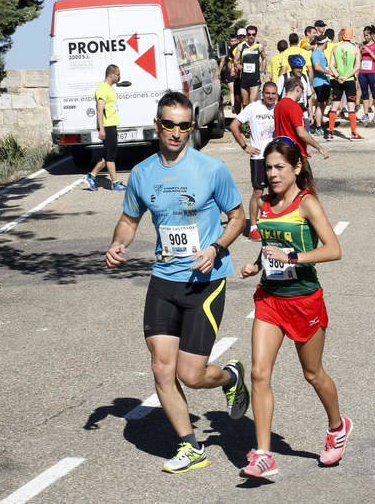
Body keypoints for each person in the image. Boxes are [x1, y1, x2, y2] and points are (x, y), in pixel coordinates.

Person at [105, 91, 249, 474]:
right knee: (161, 369)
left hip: (205, 280)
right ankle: (190, 445)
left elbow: (238, 217)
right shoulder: (142, 174)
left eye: (185, 126)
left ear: (192, 127)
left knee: (191, 374)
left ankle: (230, 376)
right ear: (157, 125)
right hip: (164, 279)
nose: (176, 132)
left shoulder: (211, 169)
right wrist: (118, 245)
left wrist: (217, 248)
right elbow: (130, 219)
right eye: (169, 124)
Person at [238, 136, 351, 478]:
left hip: (304, 300)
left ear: (297, 167)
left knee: (313, 373)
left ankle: (337, 426)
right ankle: (263, 454)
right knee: (259, 372)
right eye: (268, 167)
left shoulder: (307, 203)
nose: (272, 174)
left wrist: (294, 257)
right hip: (270, 298)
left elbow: (334, 249)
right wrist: (257, 265)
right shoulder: (265, 203)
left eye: (279, 167)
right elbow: (270, 245)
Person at [230, 82, 278, 241]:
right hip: (258, 157)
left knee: (275, 192)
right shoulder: (253, 107)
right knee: (258, 192)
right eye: (268, 93)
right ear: (262, 93)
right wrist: (245, 146)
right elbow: (234, 125)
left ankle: (272, 223)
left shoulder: (279, 108)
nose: (270, 96)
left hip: (276, 156)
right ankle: (253, 226)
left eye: (273, 93)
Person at [83, 64, 127, 192]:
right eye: (118, 74)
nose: (119, 77)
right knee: (111, 156)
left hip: (111, 125)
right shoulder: (102, 88)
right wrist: (101, 128)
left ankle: (91, 176)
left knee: (107, 155)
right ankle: (115, 183)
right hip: (107, 127)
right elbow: (99, 109)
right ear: (111, 74)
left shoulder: (109, 88)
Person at [274, 77, 329, 163]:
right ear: (297, 88)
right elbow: (301, 133)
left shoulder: (278, 105)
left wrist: (305, 148)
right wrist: (319, 147)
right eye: (302, 91)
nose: (302, 94)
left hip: (282, 152)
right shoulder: (294, 106)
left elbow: (286, 129)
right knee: (307, 176)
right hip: (295, 155)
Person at [327, 28, 363, 140]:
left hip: (338, 80)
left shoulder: (335, 48)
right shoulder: (355, 49)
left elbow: (331, 65)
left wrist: (338, 76)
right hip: (350, 80)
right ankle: (353, 133)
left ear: (342, 35)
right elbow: (357, 67)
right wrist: (347, 77)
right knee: (351, 107)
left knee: (334, 106)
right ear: (351, 36)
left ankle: (330, 132)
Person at [276, 54, 313, 128]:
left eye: (301, 68)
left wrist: (311, 115)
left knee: (305, 137)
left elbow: (309, 97)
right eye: (298, 68)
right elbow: (276, 97)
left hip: (303, 114)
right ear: (292, 67)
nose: (300, 70)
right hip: (287, 114)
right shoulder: (283, 78)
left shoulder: (305, 78)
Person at [358, 25, 375, 123]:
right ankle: (365, 114)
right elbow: (360, 59)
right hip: (362, 72)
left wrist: (368, 50)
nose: (366, 37)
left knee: (374, 93)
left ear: (371, 35)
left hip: (373, 73)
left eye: (367, 35)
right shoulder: (362, 45)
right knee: (364, 94)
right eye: (364, 35)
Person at [234, 25, 266, 105]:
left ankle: (251, 117)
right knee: (245, 103)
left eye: (253, 34)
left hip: (255, 78)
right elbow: (235, 60)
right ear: (247, 35)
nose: (251, 36)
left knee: (252, 102)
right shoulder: (241, 46)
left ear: (256, 35)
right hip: (244, 77)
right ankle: (246, 117)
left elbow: (264, 58)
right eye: (249, 34)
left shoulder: (259, 46)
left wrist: (263, 72)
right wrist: (237, 65)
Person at [310, 35, 332, 137]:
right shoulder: (316, 53)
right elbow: (317, 67)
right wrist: (328, 72)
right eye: (327, 42)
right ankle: (318, 126)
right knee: (319, 104)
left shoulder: (321, 53)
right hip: (319, 82)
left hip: (325, 82)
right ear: (324, 42)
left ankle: (319, 122)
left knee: (323, 104)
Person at [219, 34, 240, 110]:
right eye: (232, 41)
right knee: (232, 89)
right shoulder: (227, 50)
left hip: (238, 70)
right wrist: (219, 72)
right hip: (229, 70)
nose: (233, 42)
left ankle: (237, 104)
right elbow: (222, 61)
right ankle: (233, 105)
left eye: (235, 41)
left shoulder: (239, 48)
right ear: (229, 41)